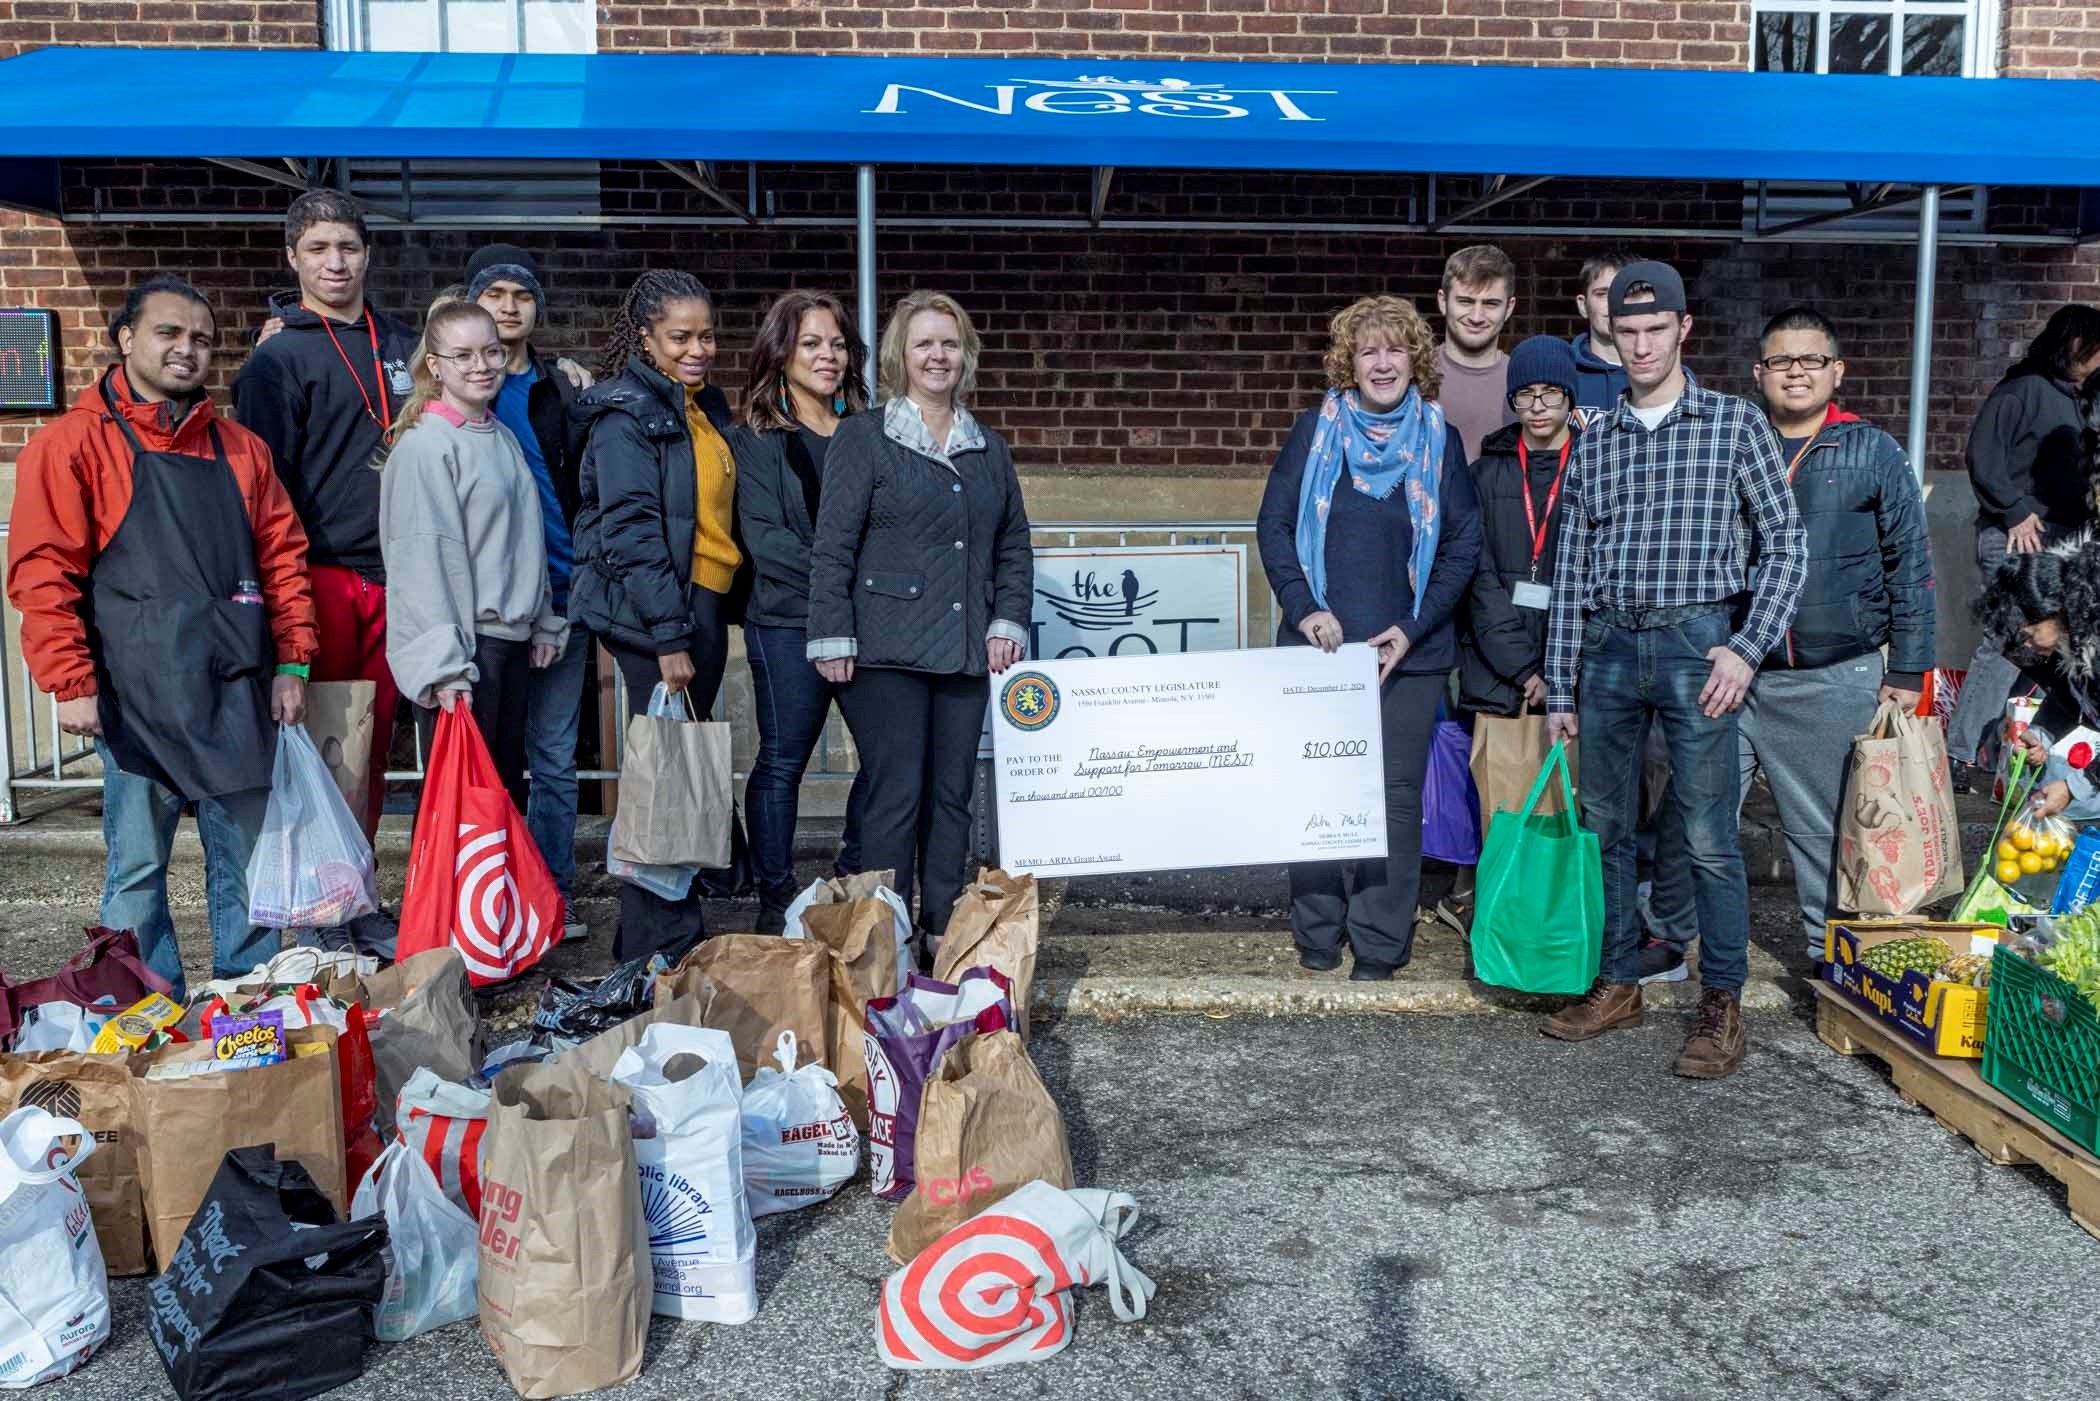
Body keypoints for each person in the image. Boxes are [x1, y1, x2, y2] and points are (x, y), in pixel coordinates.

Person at [7, 275, 317, 998]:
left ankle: (251, 999)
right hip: (133, 695)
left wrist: (294, 662)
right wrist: (70, 680)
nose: (187, 349)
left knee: (246, 862)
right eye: (169, 333)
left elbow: (283, 557)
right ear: (125, 339)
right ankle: (149, 1006)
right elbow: (43, 569)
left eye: (202, 339)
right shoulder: (71, 444)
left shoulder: (242, 450)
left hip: (236, 690)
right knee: (138, 868)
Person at [1541, 260, 1806, 1080]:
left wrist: (1746, 644)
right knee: (1606, 824)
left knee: (1706, 835)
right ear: (1611, 335)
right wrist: (1561, 682)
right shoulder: (1596, 441)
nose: (1644, 343)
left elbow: (1787, 546)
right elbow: (1570, 570)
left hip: (1701, 644)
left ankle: (1719, 1000)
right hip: (1611, 650)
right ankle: (1619, 981)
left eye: (1658, 329)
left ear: (1684, 328)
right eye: (1630, 331)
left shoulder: (1733, 424)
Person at [1644, 308, 1936, 973]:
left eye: (1810, 360)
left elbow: (1911, 564)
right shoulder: (1731, 444)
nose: (1795, 372)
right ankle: (1664, 933)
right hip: (1733, 669)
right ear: (1759, 374)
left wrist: (1910, 668)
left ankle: (1830, 962)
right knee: (1692, 808)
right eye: (1781, 361)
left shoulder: (1872, 450)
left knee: (1824, 831)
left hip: (1832, 676)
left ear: (1837, 371)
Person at [1257, 294, 1482, 981]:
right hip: (1319, 651)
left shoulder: (1440, 440)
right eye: (1367, 350)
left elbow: (1462, 547)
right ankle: (1318, 931)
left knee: (1394, 794)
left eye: (1394, 349)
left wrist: (1411, 630)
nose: (1382, 363)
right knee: (1318, 790)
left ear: (1415, 359)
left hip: (1407, 657)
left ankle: (1381, 941)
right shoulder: (1313, 430)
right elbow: (1274, 526)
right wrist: (1303, 609)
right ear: (1348, 363)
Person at [806, 290, 1033, 947]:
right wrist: (831, 630)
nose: (938, 355)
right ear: (900, 357)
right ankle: (881, 933)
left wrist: (1006, 621)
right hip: (884, 650)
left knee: (951, 796)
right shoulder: (864, 436)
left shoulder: (988, 447)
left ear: (966, 355)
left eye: (950, 342)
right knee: (895, 794)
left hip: (965, 650)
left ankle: (940, 927)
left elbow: (1013, 545)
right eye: (925, 343)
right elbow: (833, 543)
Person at [569, 269, 748, 960]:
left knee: (676, 776)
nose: (697, 348)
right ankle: (659, 948)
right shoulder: (625, 415)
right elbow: (633, 530)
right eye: (679, 337)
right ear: (645, 337)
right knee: (664, 781)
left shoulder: (702, 406)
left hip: (700, 600)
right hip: (660, 615)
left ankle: (654, 939)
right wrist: (671, 635)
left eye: (706, 335)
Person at [233, 191, 417, 845]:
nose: (334, 262)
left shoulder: (402, 342)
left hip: (396, 576)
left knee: (371, 747)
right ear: (293, 258)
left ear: (368, 254)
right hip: (321, 576)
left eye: (347, 247)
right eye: (317, 249)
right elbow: (260, 487)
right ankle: (321, 904)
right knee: (324, 744)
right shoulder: (274, 362)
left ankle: (357, 886)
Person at [379, 300, 566, 816]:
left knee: (499, 799)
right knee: (460, 811)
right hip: (465, 651)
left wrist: (545, 620)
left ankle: (494, 902)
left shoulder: (500, 436)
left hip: (510, 643)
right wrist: (444, 667)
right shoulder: (425, 446)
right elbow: (420, 563)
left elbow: (525, 537)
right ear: (434, 365)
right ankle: (447, 903)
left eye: (491, 352)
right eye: (463, 355)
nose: (481, 366)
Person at [733, 289, 872, 931]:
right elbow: (768, 541)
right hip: (787, 620)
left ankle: (853, 876)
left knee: (888, 756)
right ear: (782, 353)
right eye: (812, 343)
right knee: (783, 761)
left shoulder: (870, 431)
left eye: (837, 343)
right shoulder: (757, 439)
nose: (828, 355)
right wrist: (846, 582)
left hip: (868, 625)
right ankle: (776, 897)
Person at [465, 243, 593, 937]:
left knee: (553, 755)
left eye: (521, 294)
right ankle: (493, 897)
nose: (509, 306)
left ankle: (554, 896)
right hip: (489, 607)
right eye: (494, 293)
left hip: (564, 592)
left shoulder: (562, 387)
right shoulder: (460, 389)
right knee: (492, 758)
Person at [1946, 304, 2100, 768]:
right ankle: (1958, 750)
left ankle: (2007, 751)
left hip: (2061, 545)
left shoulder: (2079, 398)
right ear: (2075, 345)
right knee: (2012, 641)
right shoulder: (2023, 389)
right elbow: (1982, 454)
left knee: (2052, 654)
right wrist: (2013, 511)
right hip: (2019, 539)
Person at [1458, 336, 1587, 719]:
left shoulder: (1595, 469)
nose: (1537, 407)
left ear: (1570, 397)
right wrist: (1525, 669)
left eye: (1551, 393)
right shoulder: (1482, 475)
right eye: (1525, 394)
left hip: (1579, 679)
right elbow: (1476, 579)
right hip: (1494, 676)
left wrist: (1560, 673)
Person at [1975, 541, 2100, 822]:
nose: (2028, 646)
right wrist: (2042, 731)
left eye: (2031, 635)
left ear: (2057, 610)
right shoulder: (2067, 643)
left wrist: (2073, 787)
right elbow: (2076, 698)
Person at [1435, 244, 1519, 462]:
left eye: (1490, 304)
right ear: (1443, 301)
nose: (1476, 316)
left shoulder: (1522, 382)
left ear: (1509, 308)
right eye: (1465, 301)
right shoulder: (1411, 374)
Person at [1569, 250, 1641, 409]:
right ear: (1583, 305)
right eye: (1602, 294)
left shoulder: (1665, 374)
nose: (1613, 303)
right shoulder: (1561, 371)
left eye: (1624, 293)